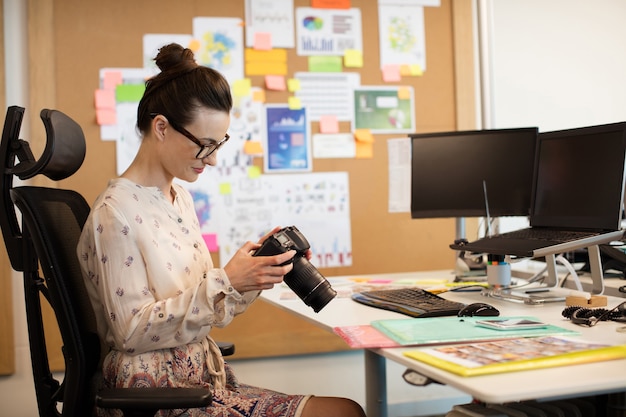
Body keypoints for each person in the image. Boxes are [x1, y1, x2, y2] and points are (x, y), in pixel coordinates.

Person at [76, 43, 366, 417]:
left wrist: (254, 274)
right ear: (161, 127)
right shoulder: (114, 214)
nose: (212, 159)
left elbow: (201, 308)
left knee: (347, 410)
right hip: (155, 394)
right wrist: (226, 280)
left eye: (219, 144)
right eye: (205, 145)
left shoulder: (178, 199)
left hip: (199, 381)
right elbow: (131, 333)